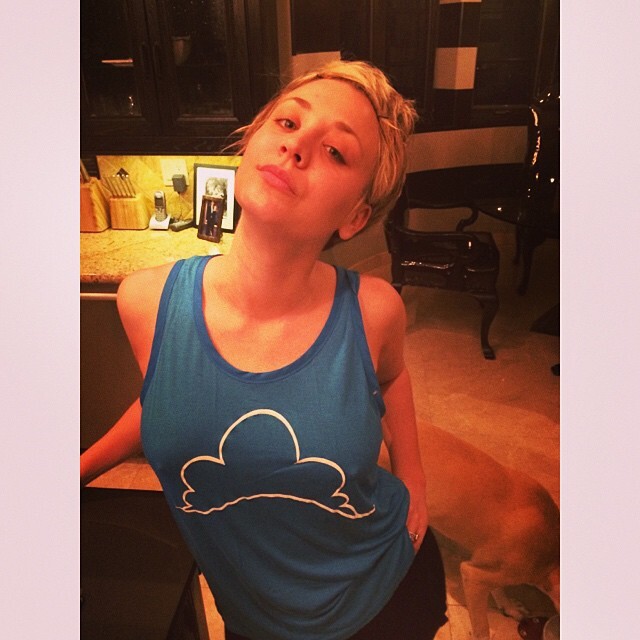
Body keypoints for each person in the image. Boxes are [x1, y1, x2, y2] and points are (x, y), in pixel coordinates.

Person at [80, 59, 447, 640]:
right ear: (250, 141)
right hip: (251, 616)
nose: (297, 146)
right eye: (288, 123)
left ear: (355, 216)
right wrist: (78, 469)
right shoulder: (144, 301)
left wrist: (413, 474)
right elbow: (168, 397)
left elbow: (393, 376)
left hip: (383, 593)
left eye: (336, 152)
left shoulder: (374, 310)